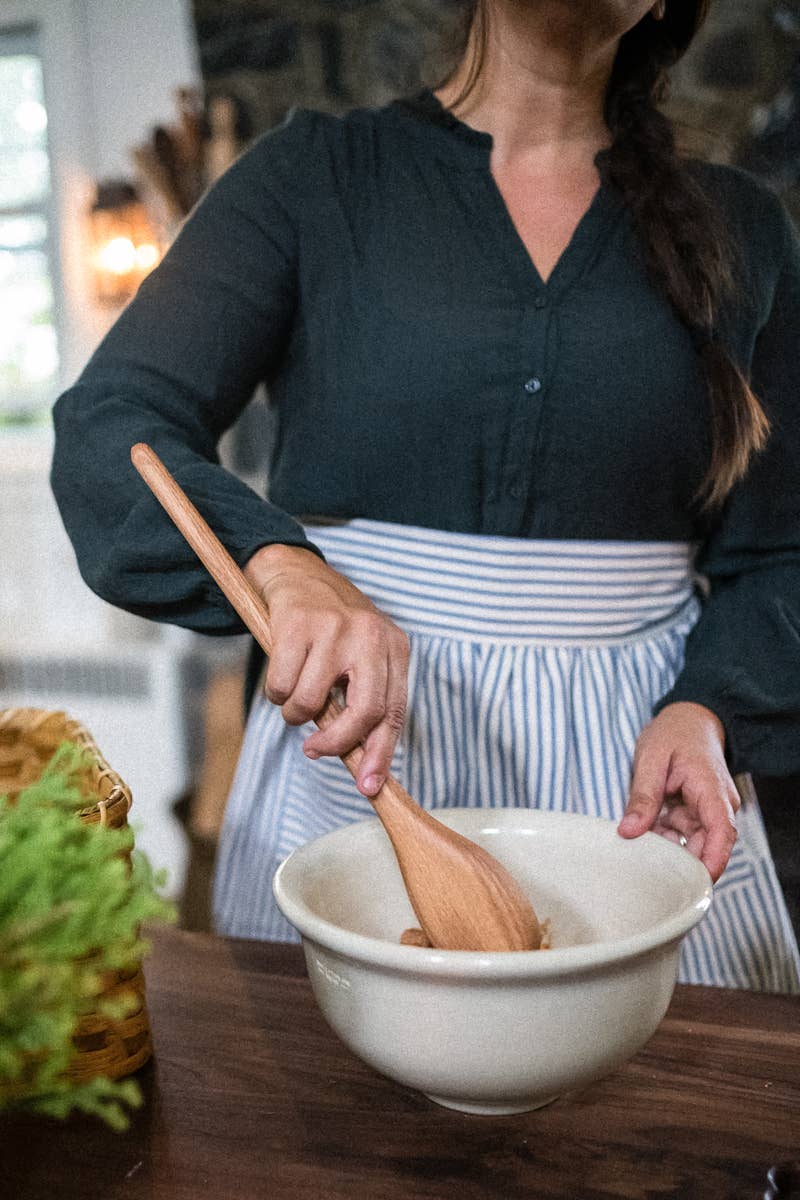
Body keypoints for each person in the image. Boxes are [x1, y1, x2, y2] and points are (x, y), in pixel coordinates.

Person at [51, 0, 800, 991]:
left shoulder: (745, 232)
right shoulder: (313, 175)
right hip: (365, 762)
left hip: (638, 792)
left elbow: (779, 553)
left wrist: (707, 711)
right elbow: (114, 423)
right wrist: (281, 568)